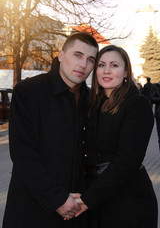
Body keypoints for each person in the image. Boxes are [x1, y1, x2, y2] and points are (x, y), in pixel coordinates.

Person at [2, 32, 98, 228]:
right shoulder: (29, 91)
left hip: (76, 209)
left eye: (90, 60)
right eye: (77, 55)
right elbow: (23, 154)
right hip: (33, 208)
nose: (83, 64)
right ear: (61, 56)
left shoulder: (92, 100)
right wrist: (57, 199)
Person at [73, 45, 158, 228]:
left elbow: (128, 161)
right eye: (101, 65)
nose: (106, 71)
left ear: (126, 71)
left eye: (114, 65)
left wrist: (87, 199)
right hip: (94, 195)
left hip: (127, 200)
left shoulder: (137, 105)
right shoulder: (92, 103)